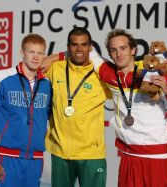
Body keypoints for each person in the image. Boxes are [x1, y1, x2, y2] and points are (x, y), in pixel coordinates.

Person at [41, 29, 167, 187]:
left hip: (156, 157)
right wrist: (57, 56)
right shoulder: (108, 73)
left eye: (123, 48)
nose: (119, 54)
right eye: (113, 50)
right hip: (128, 156)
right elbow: (85, 52)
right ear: (110, 54)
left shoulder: (151, 75)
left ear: (133, 50)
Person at [0, 33, 52, 187]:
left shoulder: (47, 84)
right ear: (22, 52)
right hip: (8, 157)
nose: (36, 57)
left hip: (36, 159)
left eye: (40, 53)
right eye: (31, 52)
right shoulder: (2, 77)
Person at [44, 27, 111, 187]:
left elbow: (121, 78)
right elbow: (35, 66)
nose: (79, 49)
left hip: (91, 155)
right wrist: (58, 56)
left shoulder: (101, 74)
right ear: (68, 47)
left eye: (84, 44)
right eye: (74, 45)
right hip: (60, 152)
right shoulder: (56, 68)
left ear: (91, 48)